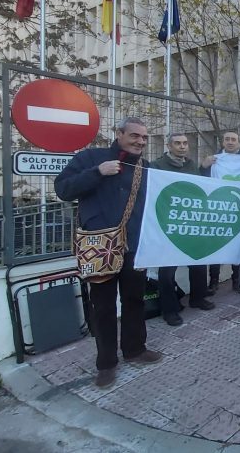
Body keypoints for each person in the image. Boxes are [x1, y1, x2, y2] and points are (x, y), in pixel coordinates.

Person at [55, 117, 163, 388]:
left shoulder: (145, 167)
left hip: (134, 248)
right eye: (135, 135)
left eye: (144, 137)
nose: (140, 141)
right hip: (98, 249)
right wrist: (97, 172)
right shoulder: (91, 158)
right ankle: (106, 363)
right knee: (102, 306)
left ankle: (135, 349)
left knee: (134, 299)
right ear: (119, 133)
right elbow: (62, 189)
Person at [149, 132, 214, 326]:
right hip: (168, 225)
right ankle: (169, 309)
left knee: (198, 262)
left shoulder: (191, 165)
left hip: (191, 222)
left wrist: (203, 169)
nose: (183, 146)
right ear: (169, 146)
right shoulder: (157, 166)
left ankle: (197, 298)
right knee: (167, 270)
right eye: (178, 143)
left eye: (185, 143)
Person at [202, 130, 240, 293]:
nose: (230, 142)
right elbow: (200, 180)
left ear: (239, 143)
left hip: (239, 209)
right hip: (218, 210)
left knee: (237, 245)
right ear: (222, 142)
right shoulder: (213, 161)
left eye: (233, 139)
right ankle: (214, 280)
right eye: (227, 139)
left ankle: (237, 279)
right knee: (216, 246)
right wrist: (203, 167)